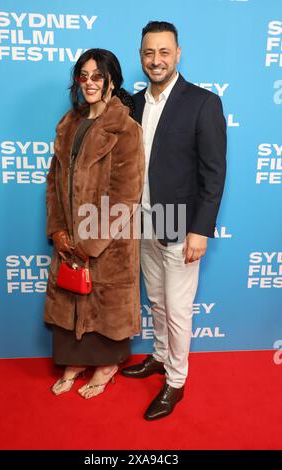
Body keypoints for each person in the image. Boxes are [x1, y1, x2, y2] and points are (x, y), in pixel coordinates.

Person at [121, 21, 227, 420]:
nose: (156, 60)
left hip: (183, 226)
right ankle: (160, 357)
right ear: (140, 55)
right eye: (149, 52)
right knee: (157, 302)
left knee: (179, 308)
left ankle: (176, 382)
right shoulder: (132, 104)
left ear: (178, 53)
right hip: (144, 222)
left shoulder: (203, 102)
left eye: (164, 52)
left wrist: (201, 229)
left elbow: (213, 172)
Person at [43, 49, 144, 399]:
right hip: (68, 236)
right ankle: (75, 362)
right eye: (83, 76)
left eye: (97, 76)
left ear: (111, 81)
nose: (89, 83)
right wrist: (58, 231)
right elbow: (54, 184)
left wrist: (88, 243)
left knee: (104, 307)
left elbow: (125, 196)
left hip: (108, 241)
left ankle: (106, 365)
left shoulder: (126, 129)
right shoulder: (68, 123)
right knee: (71, 299)